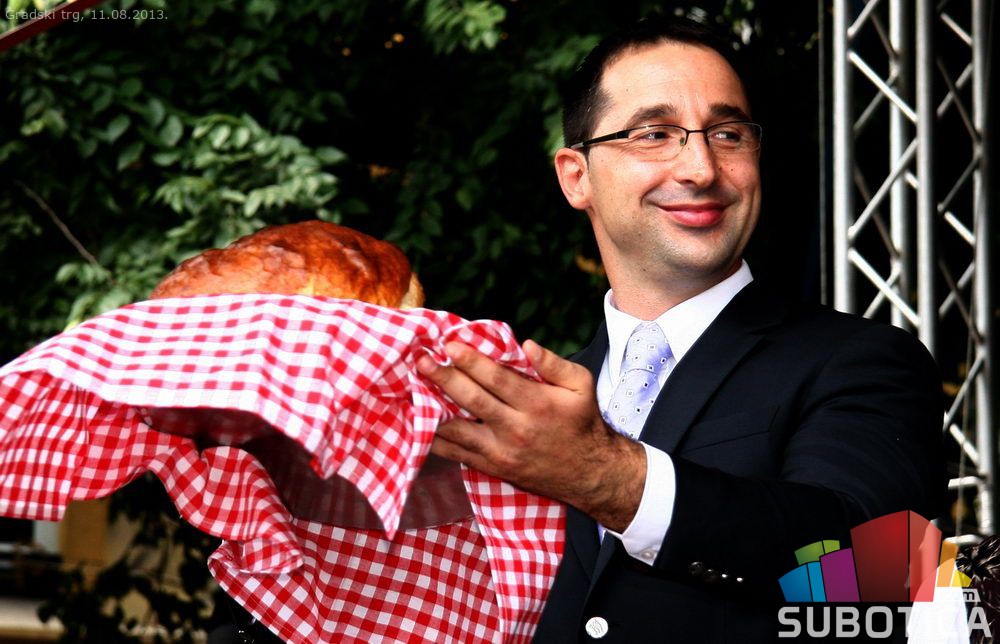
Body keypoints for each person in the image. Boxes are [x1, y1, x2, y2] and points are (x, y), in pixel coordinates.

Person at [415, 15, 945, 642]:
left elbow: (870, 569)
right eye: (655, 134)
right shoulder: (536, 407)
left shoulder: (862, 360)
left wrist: (607, 475)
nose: (700, 168)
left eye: (728, 134)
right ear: (576, 177)